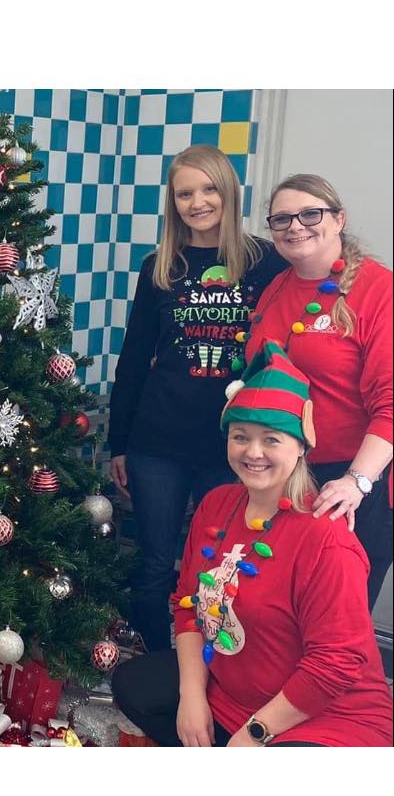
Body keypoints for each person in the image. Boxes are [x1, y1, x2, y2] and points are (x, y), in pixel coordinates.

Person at [112, 340, 393, 747]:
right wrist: (192, 698)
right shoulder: (217, 506)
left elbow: (335, 664)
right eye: (240, 436)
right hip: (232, 694)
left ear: (301, 447)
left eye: (272, 439)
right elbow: (187, 605)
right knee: (134, 684)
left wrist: (256, 732)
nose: (253, 452)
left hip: (327, 716)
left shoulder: (326, 539)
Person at [107, 145, 287, 651]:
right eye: (185, 194)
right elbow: (133, 359)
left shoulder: (265, 262)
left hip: (234, 446)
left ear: (228, 192)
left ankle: (212, 665)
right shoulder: (160, 267)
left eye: (208, 189)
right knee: (155, 562)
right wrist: (118, 444)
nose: (198, 202)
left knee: (221, 563)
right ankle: (157, 662)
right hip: (157, 442)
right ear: (173, 202)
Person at [244, 174, 392, 610]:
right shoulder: (276, 288)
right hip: (284, 473)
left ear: (339, 219)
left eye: (311, 214)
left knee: (337, 617)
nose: (296, 227)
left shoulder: (378, 290)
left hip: (353, 481)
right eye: (282, 219)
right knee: (280, 611)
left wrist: (356, 482)